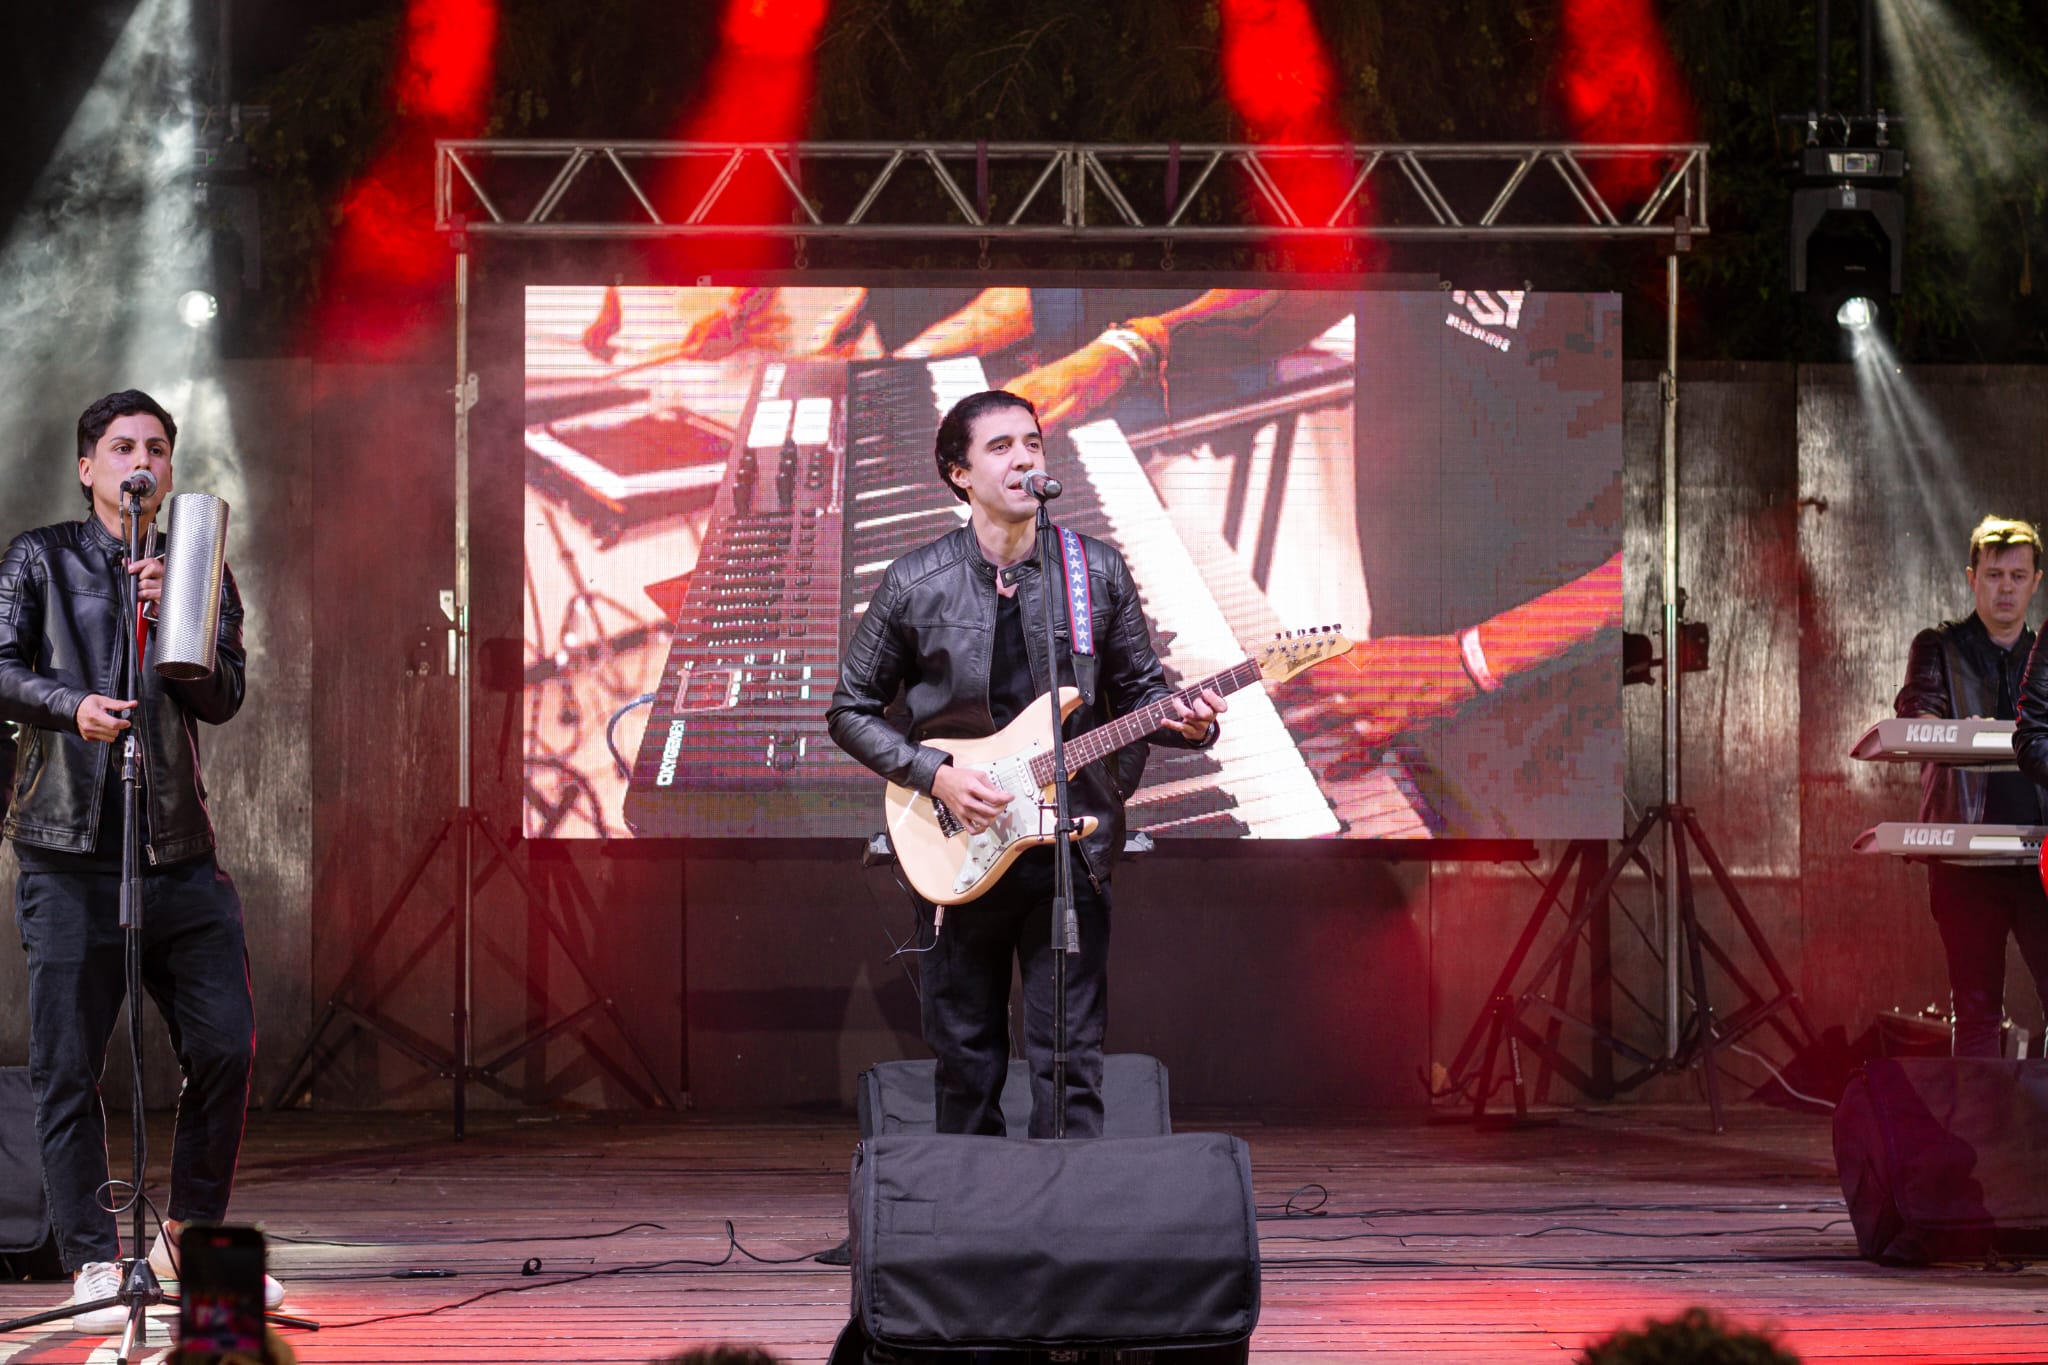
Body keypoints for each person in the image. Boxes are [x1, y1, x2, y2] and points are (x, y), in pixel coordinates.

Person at [827, 389, 1225, 1137]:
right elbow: (849, 710)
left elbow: (1142, 694)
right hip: (959, 840)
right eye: (1001, 446)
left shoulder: (1094, 571)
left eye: (1033, 442)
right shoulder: (915, 582)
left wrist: (1193, 726)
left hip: (1067, 851)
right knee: (966, 1063)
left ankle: (1068, 1206)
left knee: (1070, 1064)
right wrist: (936, 774)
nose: (1024, 458)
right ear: (959, 474)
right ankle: (971, 1207)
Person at [0, 390, 278, 1332]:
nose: (141, 462)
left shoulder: (196, 561)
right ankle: (90, 1257)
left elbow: (224, 696)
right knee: (67, 1065)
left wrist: (178, 619)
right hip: (67, 851)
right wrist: (67, 703)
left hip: (178, 852)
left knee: (225, 1043)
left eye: (156, 447)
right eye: (122, 447)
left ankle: (190, 1245)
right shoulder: (39, 558)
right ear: (88, 468)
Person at [1904, 515, 2048, 1058]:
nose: (2005, 588)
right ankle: (1978, 1116)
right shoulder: (1938, 647)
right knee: (1976, 1011)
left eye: (2017, 576)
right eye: (1994, 575)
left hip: (2042, 856)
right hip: (1966, 864)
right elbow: (1916, 718)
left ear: (2036, 582)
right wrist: (1957, 733)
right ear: (1972, 579)